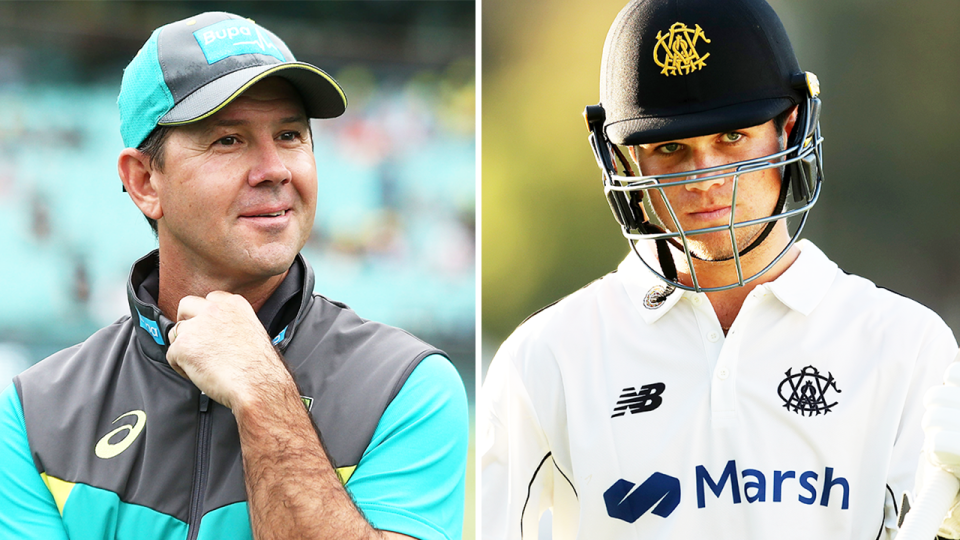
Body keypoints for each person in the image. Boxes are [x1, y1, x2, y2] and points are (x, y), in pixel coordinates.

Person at [480, 0, 957, 538]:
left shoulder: (907, 348)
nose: (703, 178)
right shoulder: (548, 358)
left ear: (790, 127)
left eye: (732, 137)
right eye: (671, 147)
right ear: (624, 161)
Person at [0, 12, 467, 540]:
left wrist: (263, 393)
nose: (274, 168)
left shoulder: (406, 387)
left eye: (290, 135)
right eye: (228, 140)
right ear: (144, 181)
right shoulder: (33, 416)